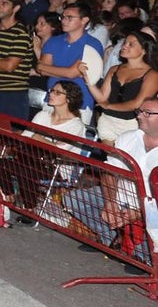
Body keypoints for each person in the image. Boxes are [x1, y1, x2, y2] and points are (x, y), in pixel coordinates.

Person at [63, 95, 158, 274]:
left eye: (147, 113)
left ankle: (142, 254)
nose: (139, 116)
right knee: (73, 199)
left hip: (152, 208)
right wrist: (110, 203)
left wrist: (139, 213)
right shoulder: (127, 138)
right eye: (139, 111)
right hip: (121, 197)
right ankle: (112, 239)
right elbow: (109, 172)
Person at [83, 31, 158, 144]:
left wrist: (108, 106)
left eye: (131, 44)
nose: (124, 46)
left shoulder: (152, 75)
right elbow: (102, 97)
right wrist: (87, 78)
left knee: (126, 159)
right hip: (108, 121)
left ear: (144, 50)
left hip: (132, 123)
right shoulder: (115, 69)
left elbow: (137, 104)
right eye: (125, 43)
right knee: (111, 159)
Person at [36, 0, 104, 125]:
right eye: (63, 17)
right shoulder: (53, 41)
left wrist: (52, 69)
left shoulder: (93, 44)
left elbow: (70, 73)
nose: (64, 20)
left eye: (70, 18)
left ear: (84, 20)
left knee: (68, 142)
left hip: (79, 103)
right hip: (53, 99)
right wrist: (69, 72)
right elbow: (41, 70)